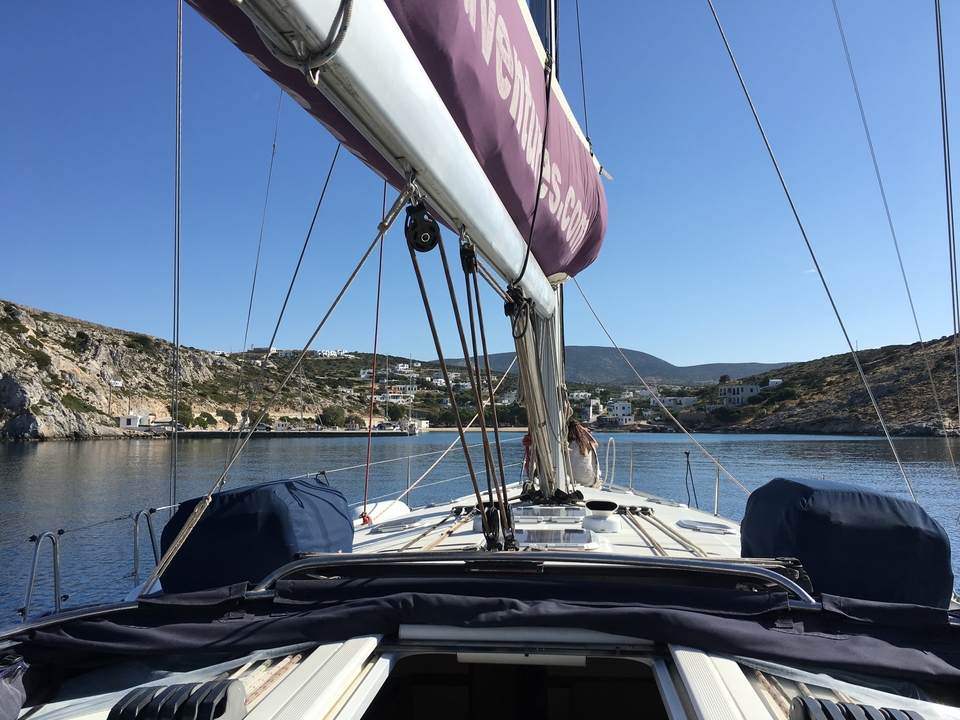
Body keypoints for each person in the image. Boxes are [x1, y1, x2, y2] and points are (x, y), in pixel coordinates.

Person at [567, 420, 600, 487]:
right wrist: (585, 431)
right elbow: (595, 444)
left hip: (571, 480)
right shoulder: (586, 445)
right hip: (588, 480)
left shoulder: (567, 445)